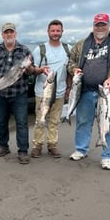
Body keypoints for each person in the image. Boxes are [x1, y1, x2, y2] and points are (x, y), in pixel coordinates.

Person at [67, 13, 110, 170]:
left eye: (103, 24)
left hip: (107, 92)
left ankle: (108, 156)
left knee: (109, 124)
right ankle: (81, 149)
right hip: (85, 90)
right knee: (83, 121)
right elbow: (70, 62)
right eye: (97, 25)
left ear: (108, 25)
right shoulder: (82, 44)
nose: (100, 27)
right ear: (93, 26)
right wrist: (75, 69)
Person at [0, 23, 35, 164]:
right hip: (1, 92)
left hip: (20, 93)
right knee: (1, 122)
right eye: (6, 32)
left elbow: (31, 72)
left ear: (15, 33)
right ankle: (3, 146)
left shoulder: (25, 51)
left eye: (11, 32)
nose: (9, 34)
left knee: (22, 123)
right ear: (2, 35)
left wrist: (28, 67)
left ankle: (23, 151)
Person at [31, 19, 71, 159]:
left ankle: (52, 145)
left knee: (55, 121)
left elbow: (70, 71)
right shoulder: (40, 49)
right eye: (52, 30)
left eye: (58, 30)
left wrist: (69, 88)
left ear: (62, 32)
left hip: (60, 92)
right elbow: (32, 69)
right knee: (40, 119)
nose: (55, 33)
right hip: (42, 92)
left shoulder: (68, 49)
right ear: (48, 32)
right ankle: (37, 145)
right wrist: (40, 70)